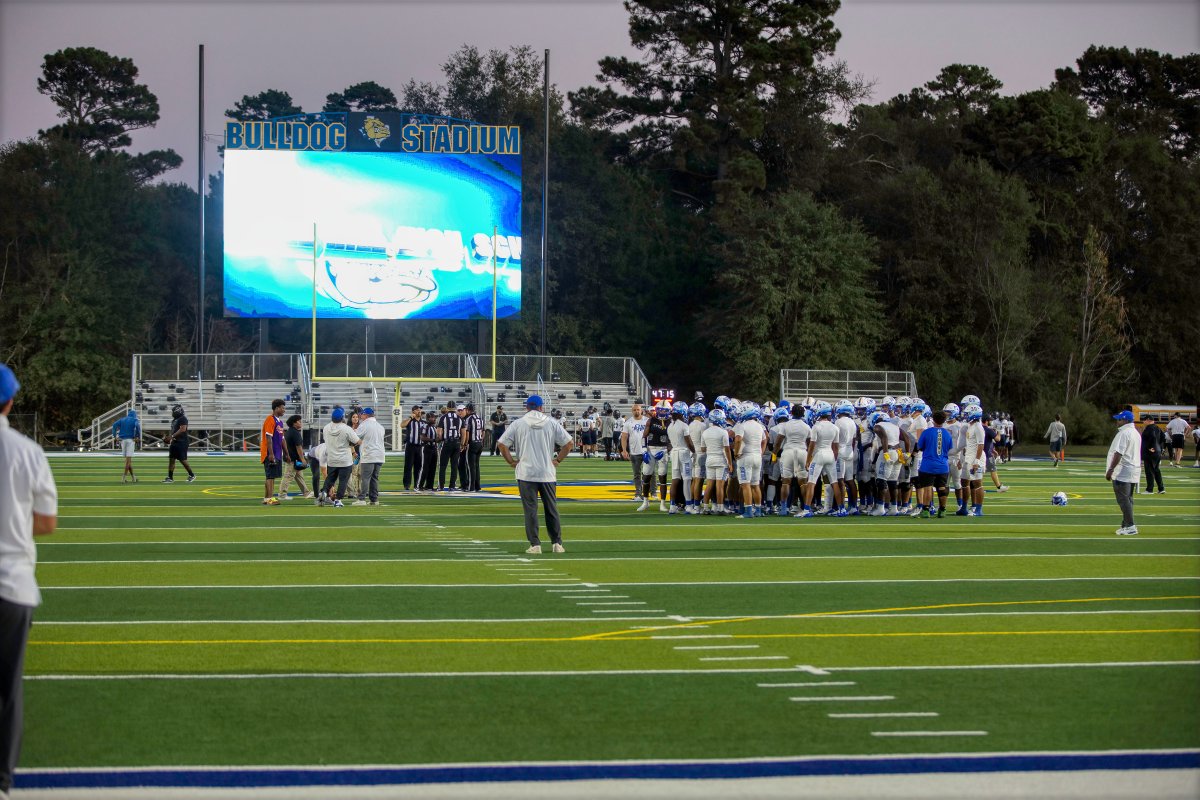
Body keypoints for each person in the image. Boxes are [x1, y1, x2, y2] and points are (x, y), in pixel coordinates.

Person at [0, 364, 57, 799]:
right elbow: (46, 523)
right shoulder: (27, 451)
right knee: (8, 689)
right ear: (10, 401)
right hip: (12, 585)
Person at [497, 395, 573, 554]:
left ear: (527, 407)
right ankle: (557, 543)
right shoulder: (551, 422)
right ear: (541, 407)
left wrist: (511, 462)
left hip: (526, 473)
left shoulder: (518, 423)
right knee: (551, 508)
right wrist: (557, 460)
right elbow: (569, 443)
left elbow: (502, 444)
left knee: (530, 510)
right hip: (547, 473)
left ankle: (535, 544)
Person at [1106, 409, 1142, 535]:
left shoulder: (1124, 433)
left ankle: (1130, 525)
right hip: (1134, 469)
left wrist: (1111, 469)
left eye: (1119, 419)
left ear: (1125, 420)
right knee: (1128, 499)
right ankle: (1126, 524)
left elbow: (1118, 453)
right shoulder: (1135, 432)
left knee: (1123, 499)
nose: (1117, 422)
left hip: (1123, 470)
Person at [913, 409, 953, 518]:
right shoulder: (947, 433)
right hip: (943, 465)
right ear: (944, 420)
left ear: (933, 420)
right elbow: (949, 447)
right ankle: (942, 510)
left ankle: (926, 510)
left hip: (928, 464)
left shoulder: (927, 432)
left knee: (927, 487)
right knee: (942, 487)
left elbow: (920, 446)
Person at [319, 406, 360, 508]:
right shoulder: (346, 428)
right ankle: (338, 500)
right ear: (342, 418)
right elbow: (357, 441)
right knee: (343, 481)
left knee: (330, 479)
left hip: (332, 459)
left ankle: (324, 492)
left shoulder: (326, 428)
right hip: (345, 460)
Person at [278, 414, 311, 500]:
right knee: (288, 476)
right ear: (294, 423)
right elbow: (298, 447)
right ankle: (282, 495)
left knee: (299, 477)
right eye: (299, 421)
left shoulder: (289, 432)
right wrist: (303, 459)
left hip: (291, 458)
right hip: (293, 460)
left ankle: (306, 493)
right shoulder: (295, 433)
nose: (301, 423)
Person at [260, 398, 286, 506]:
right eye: (282, 408)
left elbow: (282, 439)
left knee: (271, 476)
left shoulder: (280, 422)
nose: (284, 410)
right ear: (276, 408)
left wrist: (286, 453)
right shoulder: (270, 419)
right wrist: (270, 454)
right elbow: (268, 437)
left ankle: (266, 498)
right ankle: (270, 498)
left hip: (277, 453)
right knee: (270, 476)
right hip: (270, 453)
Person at [621, 402, 648, 502]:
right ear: (632, 411)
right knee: (637, 474)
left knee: (649, 474)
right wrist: (624, 450)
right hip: (635, 451)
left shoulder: (647, 421)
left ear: (641, 410)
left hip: (647, 451)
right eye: (634, 410)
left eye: (638, 409)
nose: (637, 411)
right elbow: (624, 437)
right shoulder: (628, 422)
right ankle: (638, 494)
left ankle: (651, 493)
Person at [162, 403, 196, 483]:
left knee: (182, 460)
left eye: (173, 411)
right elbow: (173, 430)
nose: (172, 413)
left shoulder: (183, 418)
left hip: (182, 442)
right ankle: (170, 477)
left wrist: (171, 436)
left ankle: (192, 475)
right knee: (171, 460)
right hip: (175, 442)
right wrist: (168, 438)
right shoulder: (174, 420)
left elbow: (183, 429)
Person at [436, 403, 463, 491]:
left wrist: (440, 439)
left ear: (447, 408)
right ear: (455, 408)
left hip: (447, 442)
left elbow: (439, 432)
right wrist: (462, 444)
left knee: (443, 466)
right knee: (454, 466)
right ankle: (452, 486)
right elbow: (463, 432)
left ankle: (441, 486)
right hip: (456, 442)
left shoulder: (443, 417)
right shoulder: (459, 418)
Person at [399, 404, 425, 491]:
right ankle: (406, 485)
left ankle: (417, 484)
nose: (419, 411)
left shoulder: (423, 422)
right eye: (417, 410)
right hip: (410, 446)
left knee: (418, 467)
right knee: (408, 466)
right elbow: (402, 425)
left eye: (420, 410)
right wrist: (410, 417)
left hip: (420, 447)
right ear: (413, 411)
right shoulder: (410, 421)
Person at [461, 402, 485, 491]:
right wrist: (481, 440)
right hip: (479, 443)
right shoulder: (480, 418)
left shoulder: (469, 419)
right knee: (477, 465)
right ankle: (477, 486)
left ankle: (471, 487)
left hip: (472, 444)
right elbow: (483, 431)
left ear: (468, 410)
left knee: (471, 466)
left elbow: (467, 433)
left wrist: (465, 444)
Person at [1140, 417, 1168, 495]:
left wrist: (1150, 447)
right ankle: (1161, 488)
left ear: (1148, 420)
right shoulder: (1157, 428)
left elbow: (1152, 436)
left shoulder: (1149, 428)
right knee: (1156, 470)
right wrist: (1160, 447)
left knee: (1149, 470)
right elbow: (1163, 437)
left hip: (1151, 452)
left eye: (1144, 420)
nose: (1143, 422)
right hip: (1157, 451)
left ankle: (1149, 489)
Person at [112, 408, 140, 483]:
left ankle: (134, 478)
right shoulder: (135, 420)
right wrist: (137, 436)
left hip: (122, 441)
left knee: (128, 461)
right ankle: (123, 478)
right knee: (128, 461)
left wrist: (115, 436)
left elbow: (114, 425)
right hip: (130, 440)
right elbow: (137, 426)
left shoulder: (122, 419)